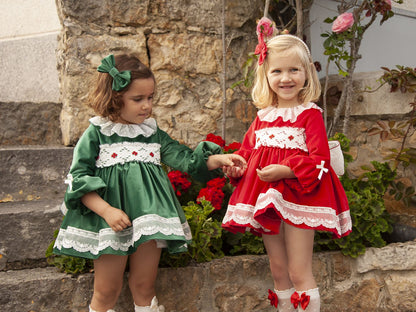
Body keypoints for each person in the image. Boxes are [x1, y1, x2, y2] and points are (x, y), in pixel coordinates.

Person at [53, 54, 246, 312]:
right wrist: (106, 211)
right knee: (107, 289)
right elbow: (78, 180)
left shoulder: (151, 133)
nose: (147, 106)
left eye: (150, 98)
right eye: (138, 99)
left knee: (144, 285)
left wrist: (216, 159)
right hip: (109, 221)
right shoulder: (97, 134)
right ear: (114, 97)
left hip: (149, 220)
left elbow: (184, 159)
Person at [222, 18, 352, 312]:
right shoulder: (263, 116)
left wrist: (288, 170)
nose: (286, 78)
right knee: (278, 270)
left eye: (294, 69)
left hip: (300, 196)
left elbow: (320, 159)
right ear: (265, 75)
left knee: (297, 270)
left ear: (306, 73)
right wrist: (236, 165)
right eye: (277, 71)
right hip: (266, 196)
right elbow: (247, 152)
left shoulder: (310, 115)